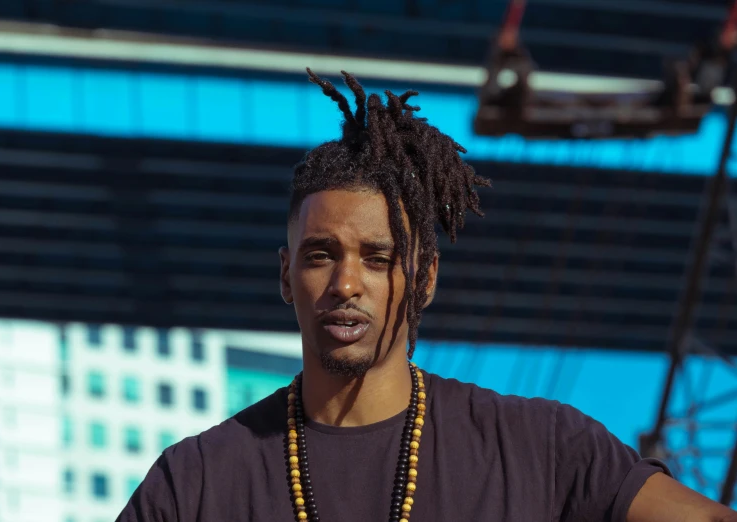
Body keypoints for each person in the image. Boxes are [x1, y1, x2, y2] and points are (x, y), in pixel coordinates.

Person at [116, 69, 737, 522]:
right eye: (320, 255)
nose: (346, 284)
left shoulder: (542, 448)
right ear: (286, 276)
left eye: (379, 258)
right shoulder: (195, 484)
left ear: (425, 277)